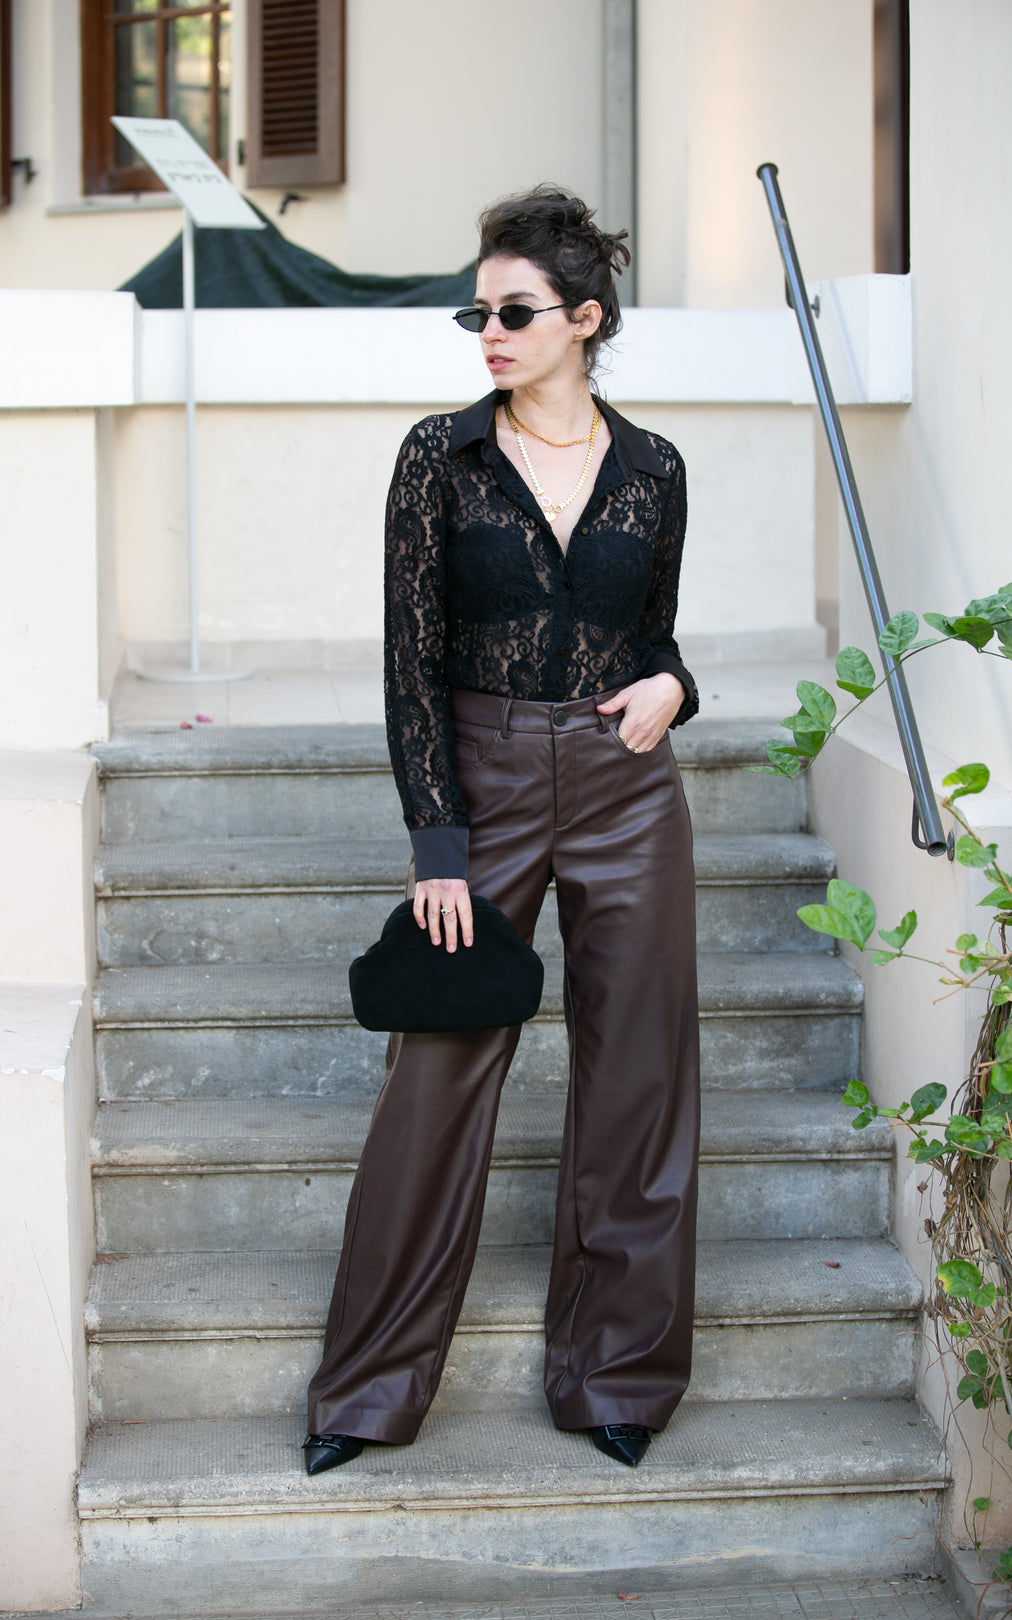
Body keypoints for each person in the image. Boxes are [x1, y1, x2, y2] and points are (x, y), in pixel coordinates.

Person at [304, 185, 700, 1477]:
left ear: (585, 319)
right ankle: (368, 1388)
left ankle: (618, 1376)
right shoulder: (442, 455)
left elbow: (654, 636)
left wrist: (677, 685)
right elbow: (408, 660)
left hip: (626, 784)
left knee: (639, 1075)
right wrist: (439, 844)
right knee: (439, 1073)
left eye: (514, 312)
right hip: (484, 777)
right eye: (477, 312)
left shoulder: (654, 468)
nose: (489, 333)